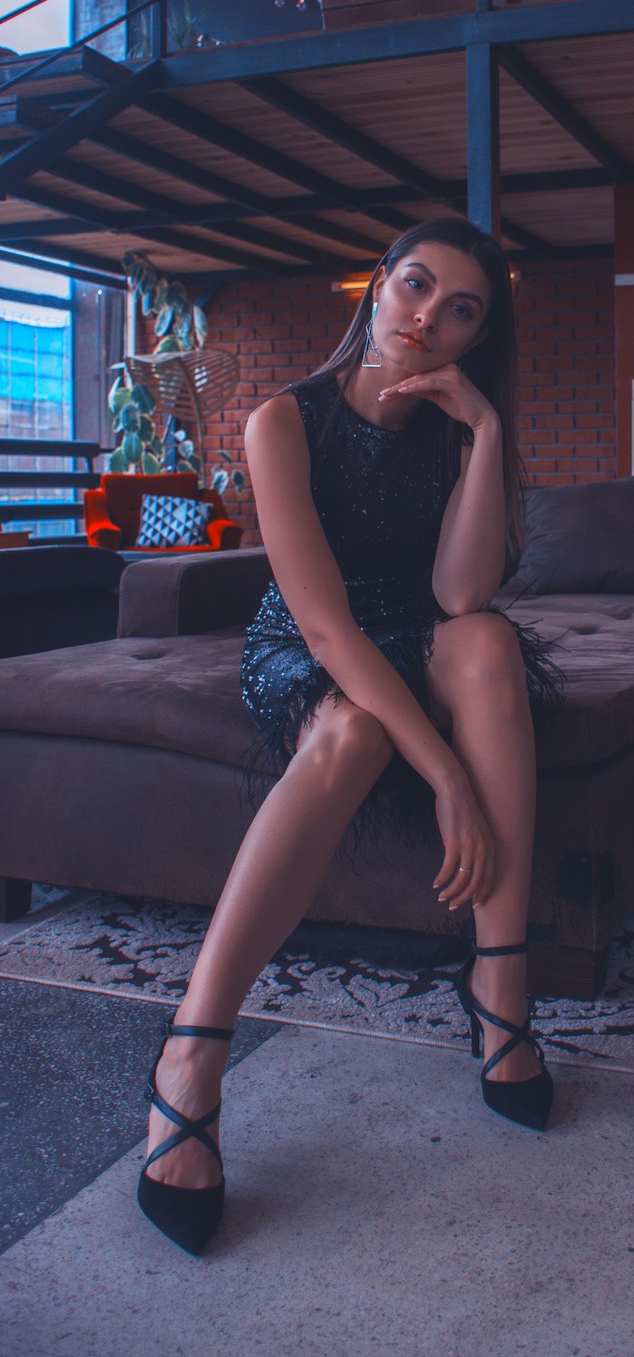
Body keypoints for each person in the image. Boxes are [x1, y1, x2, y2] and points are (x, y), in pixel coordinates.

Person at [137, 217, 564, 1256]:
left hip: (415, 629)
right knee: (353, 734)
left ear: (474, 334)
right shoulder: (284, 419)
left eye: (461, 308)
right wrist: (446, 770)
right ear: (377, 286)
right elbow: (325, 623)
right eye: (417, 286)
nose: (429, 317)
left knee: (488, 643)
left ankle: (499, 985)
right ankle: (191, 1052)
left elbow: (459, 593)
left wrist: (489, 434)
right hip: (309, 641)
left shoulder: (458, 422)